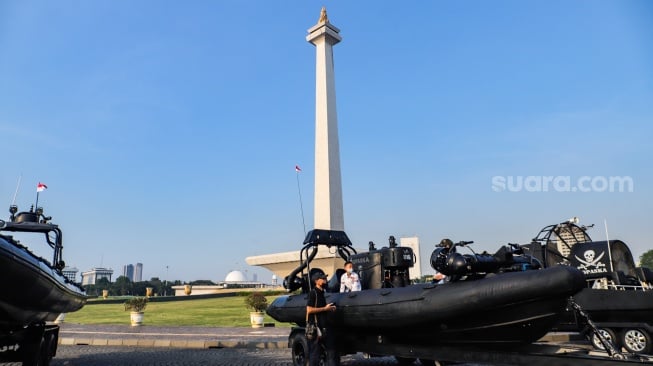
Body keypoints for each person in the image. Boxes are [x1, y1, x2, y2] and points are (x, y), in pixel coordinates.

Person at [307, 272, 338, 366]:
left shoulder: (322, 293)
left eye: (325, 278)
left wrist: (330, 308)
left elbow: (322, 309)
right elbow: (309, 310)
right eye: (323, 279)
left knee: (332, 352)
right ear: (317, 281)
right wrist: (325, 308)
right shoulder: (313, 293)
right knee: (315, 355)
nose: (325, 280)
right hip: (317, 328)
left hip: (325, 326)